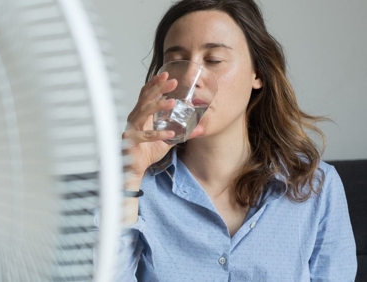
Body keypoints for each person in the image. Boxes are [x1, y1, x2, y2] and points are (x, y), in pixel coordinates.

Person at [118, 0, 357, 281]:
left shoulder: (317, 186)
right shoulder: (137, 186)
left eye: (214, 60)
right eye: (177, 62)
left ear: (258, 72)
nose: (191, 79)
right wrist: (127, 178)